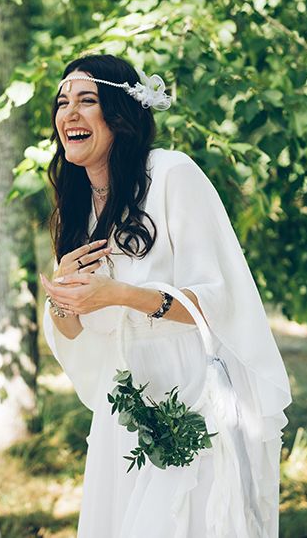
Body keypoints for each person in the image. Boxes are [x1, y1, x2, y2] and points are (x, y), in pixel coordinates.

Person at [40, 54, 291, 537]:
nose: (68, 113)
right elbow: (74, 329)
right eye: (62, 102)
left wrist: (120, 294)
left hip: (188, 393)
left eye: (86, 100)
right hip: (125, 406)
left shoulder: (172, 173)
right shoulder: (75, 205)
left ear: (119, 113)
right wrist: (61, 299)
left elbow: (214, 304)